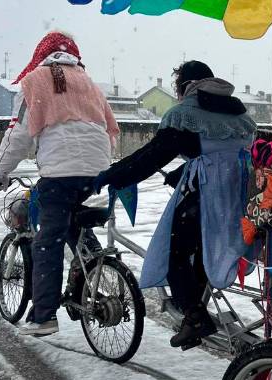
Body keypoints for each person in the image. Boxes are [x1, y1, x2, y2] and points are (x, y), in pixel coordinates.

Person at [93, 61, 257, 350]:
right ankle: (196, 308)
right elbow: (225, 152)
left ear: (184, 87)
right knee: (203, 248)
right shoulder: (237, 111)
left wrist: (111, 175)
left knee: (176, 252)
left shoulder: (186, 114)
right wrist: (183, 171)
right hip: (240, 197)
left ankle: (194, 317)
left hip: (208, 197)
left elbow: (150, 157)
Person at [0, 31, 119, 336]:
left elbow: (17, 136)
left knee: (48, 242)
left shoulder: (34, 81)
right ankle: (93, 271)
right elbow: (110, 129)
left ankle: (44, 316)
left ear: (41, 54)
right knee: (78, 224)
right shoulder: (90, 84)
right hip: (98, 173)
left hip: (59, 176)